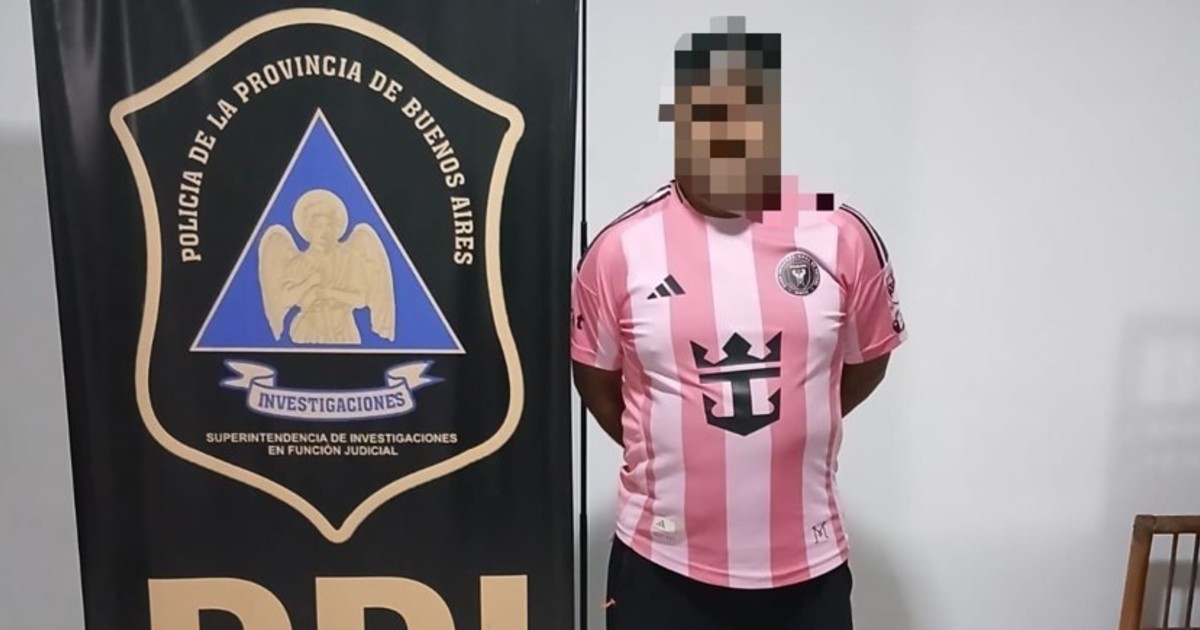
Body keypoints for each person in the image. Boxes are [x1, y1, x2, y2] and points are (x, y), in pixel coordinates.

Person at [570, 16, 907, 630]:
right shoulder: (620, 250)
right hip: (661, 565)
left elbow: (866, 362)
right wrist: (677, 441)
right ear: (678, 121)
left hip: (809, 570)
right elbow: (596, 381)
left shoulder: (840, 234)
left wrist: (792, 425)